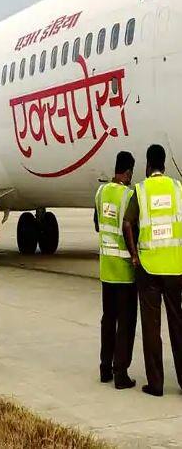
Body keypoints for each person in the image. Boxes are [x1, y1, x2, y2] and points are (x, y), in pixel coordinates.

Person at [122, 144, 182, 397]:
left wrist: (134, 254)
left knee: (151, 328)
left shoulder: (141, 190)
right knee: (178, 326)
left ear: (147, 165)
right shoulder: (178, 189)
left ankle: (156, 384)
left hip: (148, 267)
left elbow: (127, 223)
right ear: (165, 165)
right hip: (175, 267)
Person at [93, 151, 137, 389]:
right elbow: (132, 228)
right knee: (126, 323)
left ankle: (104, 368)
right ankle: (121, 374)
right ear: (128, 172)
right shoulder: (129, 195)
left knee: (107, 320)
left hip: (106, 269)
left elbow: (98, 224)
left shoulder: (101, 192)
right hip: (124, 272)